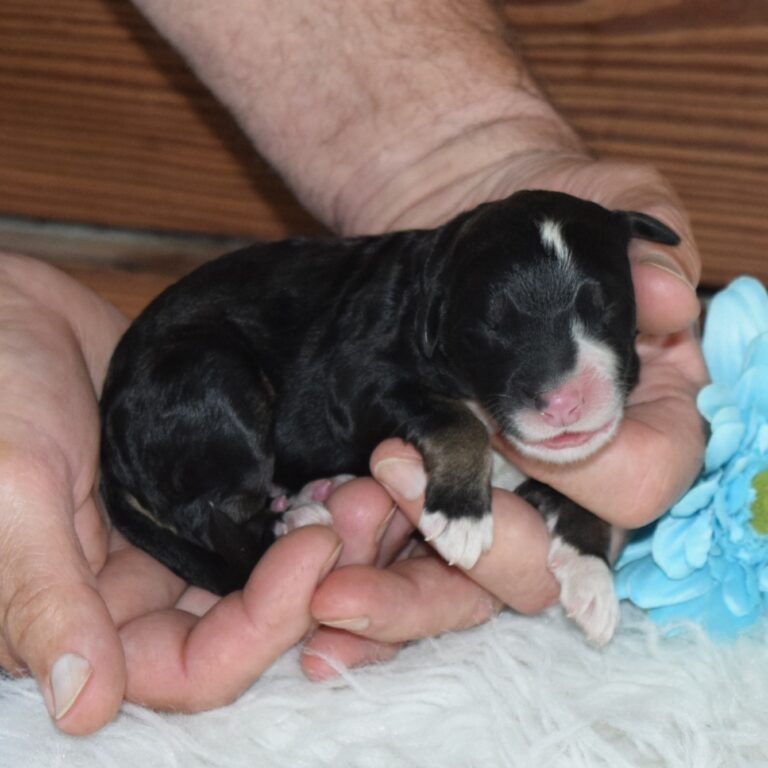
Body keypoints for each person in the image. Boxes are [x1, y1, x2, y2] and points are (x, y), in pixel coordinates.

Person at [0, 0, 707, 736]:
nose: (565, 387)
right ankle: (244, 525)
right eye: (504, 332)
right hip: (191, 372)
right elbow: (394, 397)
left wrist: (586, 550)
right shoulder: (412, 327)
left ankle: (279, 525)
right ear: (447, 318)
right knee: (220, 408)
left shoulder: (469, 299)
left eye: (602, 318)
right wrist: (457, 472)